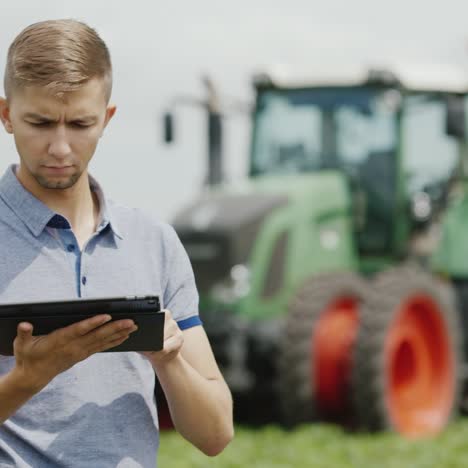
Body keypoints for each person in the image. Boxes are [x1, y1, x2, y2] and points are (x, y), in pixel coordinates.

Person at [0, 19, 233, 467]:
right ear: (6, 115)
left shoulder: (154, 242)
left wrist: (169, 361)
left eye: (81, 123)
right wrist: (28, 379)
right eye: (41, 123)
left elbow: (216, 434)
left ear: (106, 118)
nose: (61, 147)